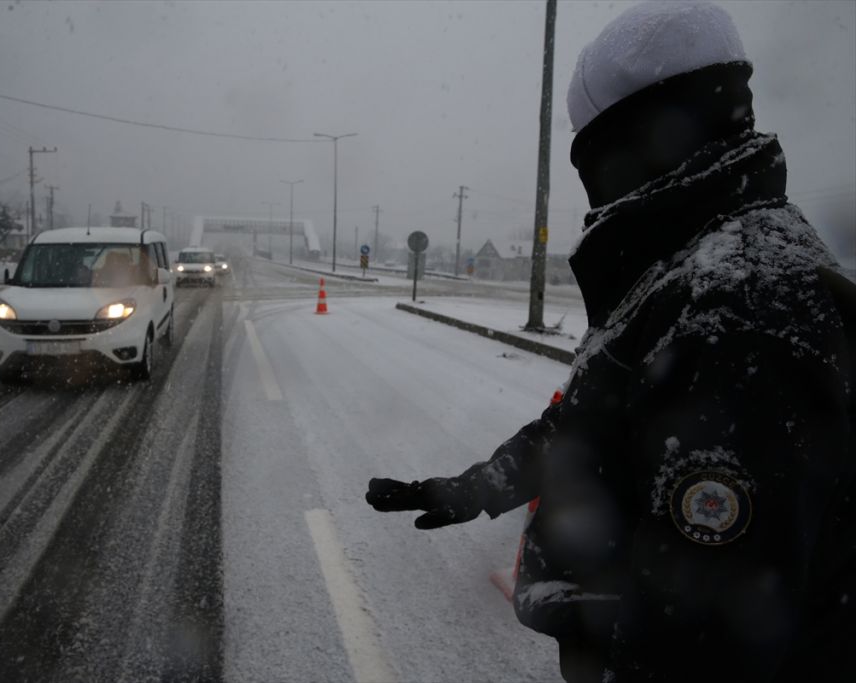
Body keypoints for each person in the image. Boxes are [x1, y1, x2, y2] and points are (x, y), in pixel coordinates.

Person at [366, 2, 855, 681]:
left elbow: (717, 627)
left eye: (593, 155)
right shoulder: (694, 266)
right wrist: (481, 485)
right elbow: (599, 421)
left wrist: (608, 654)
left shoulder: (743, 305)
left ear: (642, 140)